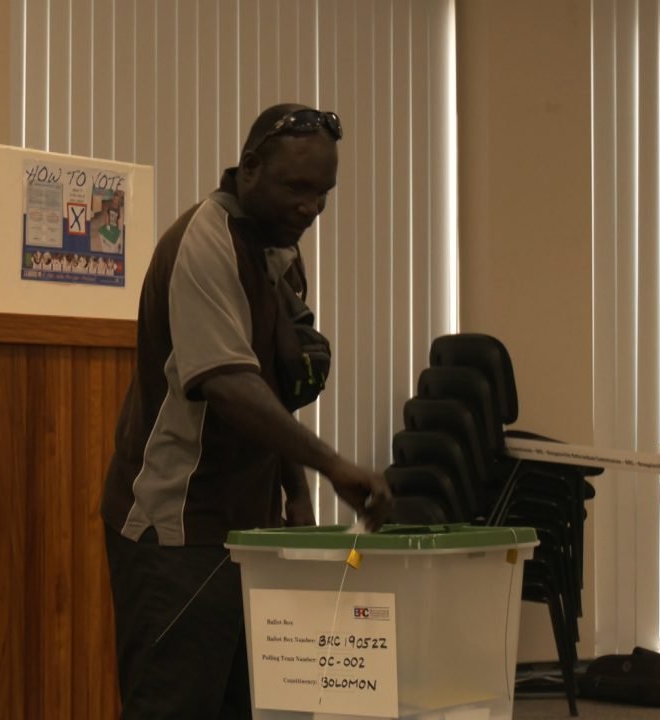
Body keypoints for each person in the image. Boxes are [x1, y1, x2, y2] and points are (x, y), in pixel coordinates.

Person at [101, 103, 393, 719]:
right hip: (176, 529)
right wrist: (335, 466)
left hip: (246, 531)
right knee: (174, 705)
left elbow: (273, 387)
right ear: (251, 167)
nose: (311, 207)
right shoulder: (203, 243)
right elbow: (230, 384)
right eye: (297, 187)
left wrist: (294, 492)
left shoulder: (278, 253)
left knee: (248, 706)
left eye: (323, 192)